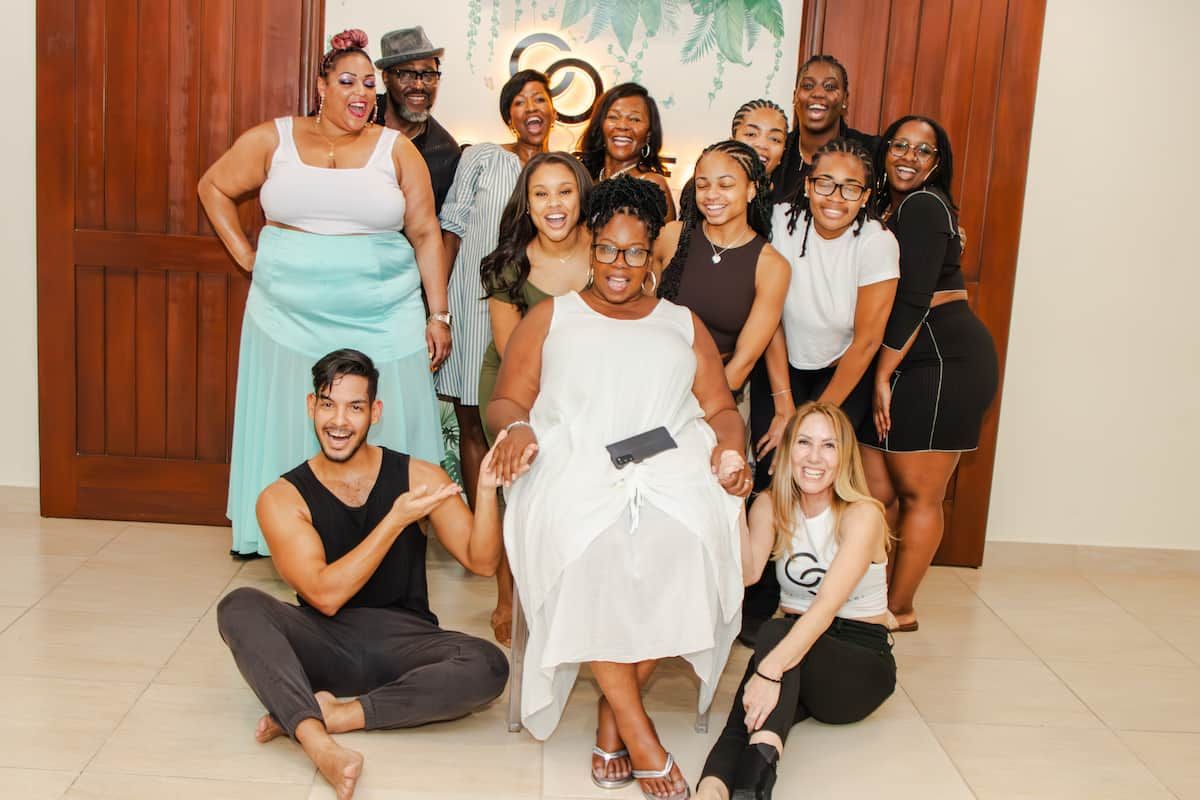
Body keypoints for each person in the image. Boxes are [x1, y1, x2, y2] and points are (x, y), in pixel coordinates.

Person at [488, 176, 751, 800]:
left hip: (668, 465)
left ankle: (612, 716)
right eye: (607, 249)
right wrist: (519, 430)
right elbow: (506, 399)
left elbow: (719, 409)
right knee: (591, 552)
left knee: (688, 548)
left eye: (635, 252)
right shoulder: (552, 316)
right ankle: (638, 730)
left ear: (652, 255)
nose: (619, 265)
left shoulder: (681, 323)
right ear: (591, 245)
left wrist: (732, 449)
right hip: (573, 462)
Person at [216, 349, 523, 800]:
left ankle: (334, 715)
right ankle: (318, 743)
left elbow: (481, 562)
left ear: (374, 413)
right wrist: (395, 521)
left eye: (355, 407)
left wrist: (487, 490)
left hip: (405, 638)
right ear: (310, 406)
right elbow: (324, 595)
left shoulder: (419, 475)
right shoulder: (282, 497)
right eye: (328, 404)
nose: (339, 421)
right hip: (322, 641)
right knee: (239, 606)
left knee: (489, 665)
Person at [198, 29, 448, 558]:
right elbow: (213, 187)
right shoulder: (274, 139)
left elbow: (426, 233)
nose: (361, 93)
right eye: (347, 81)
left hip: (384, 313)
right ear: (321, 85)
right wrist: (247, 257)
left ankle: (389, 534)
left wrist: (439, 314)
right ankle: (288, 533)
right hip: (288, 314)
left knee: (387, 413)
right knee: (294, 411)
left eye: (368, 85)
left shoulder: (396, 149)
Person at [696, 401, 896, 800]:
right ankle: (719, 790)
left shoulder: (863, 514)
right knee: (749, 711)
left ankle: (744, 784)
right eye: (804, 442)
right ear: (789, 451)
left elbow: (824, 609)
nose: (814, 457)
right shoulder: (773, 505)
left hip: (858, 666)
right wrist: (738, 500)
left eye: (829, 445)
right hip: (795, 650)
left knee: (770, 647)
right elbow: (748, 573)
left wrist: (768, 672)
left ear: (845, 457)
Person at [859, 116, 999, 633]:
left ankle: (898, 609)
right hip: (910, 355)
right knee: (876, 492)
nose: (909, 156)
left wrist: (880, 374)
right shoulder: (892, 207)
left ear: (937, 163)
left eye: (924, 150)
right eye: (900, 145)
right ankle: (871, 599)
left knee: (919, 494)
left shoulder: (922, 205)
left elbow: (915, 298)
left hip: (942, 357)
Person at [476, 151, 594, 646]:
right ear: (526, 202)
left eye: (564, 191)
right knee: (518, 492)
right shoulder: (509, 264)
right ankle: (508, 597)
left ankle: (576, 598)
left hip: (588, 389)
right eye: (541, 193)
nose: (554, 204)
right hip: (516, 390)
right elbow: (514, 357)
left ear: (582, 195)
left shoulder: (608, 248)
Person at [438, 69, 557, 509]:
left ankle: (524, 519)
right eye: (521, 101)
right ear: (510, 115)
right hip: (471, 300)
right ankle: (481, 521)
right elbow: (451, 230)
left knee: (529, 410)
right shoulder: (483, 158)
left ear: (553, 112)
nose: (532, 108)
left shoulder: (561, 170)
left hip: (532, 307)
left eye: (540, 99)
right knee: (472, 416)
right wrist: (437, 308)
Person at [654, 140, 790, 397]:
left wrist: (689, 408)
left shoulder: (772, 266)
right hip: (650, 375)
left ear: (752, 190)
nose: (711, 194)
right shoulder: (672, 236)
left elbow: (742, 364)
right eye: (703, 185)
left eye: (726, 185)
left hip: (714, 392)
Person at [375, 26, 461, 213]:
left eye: (428, 75)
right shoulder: (362, 116)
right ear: (385, 78)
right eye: (406, 74)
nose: (418, 85)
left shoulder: (445, 154)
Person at [772, 54, 877, 203]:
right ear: (795, 96)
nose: (818, 93)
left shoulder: (870, 153)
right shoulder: (776, 153)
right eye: (808, 86)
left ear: (845, 100)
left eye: (829, 87)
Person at [578, 83, 677, 221]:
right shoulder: (584, 178)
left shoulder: (651, 185)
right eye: (613, 117)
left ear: (648, 134)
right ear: (600, 126)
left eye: (635, 119)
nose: (623, 126)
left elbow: (666, 241)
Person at [680, 99, 790, 219]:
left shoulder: (787, 202)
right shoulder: (703, 190)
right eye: (751, 134)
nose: (762, 144)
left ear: (783, 153)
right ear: (732, 142)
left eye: (775, 139)